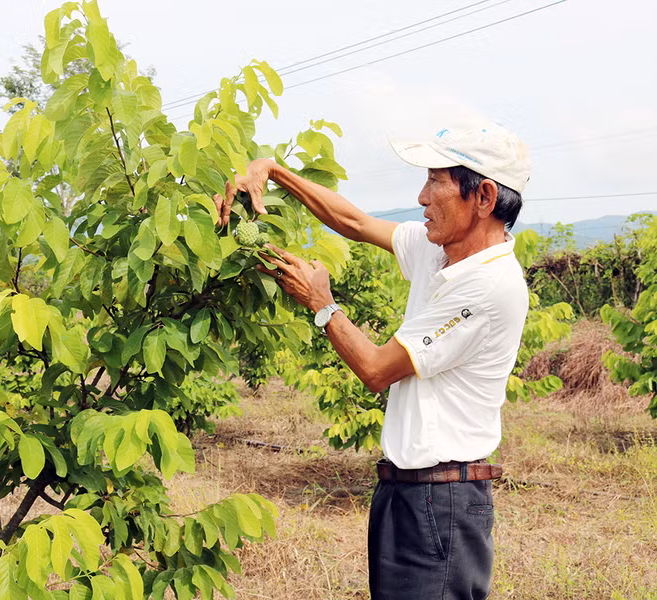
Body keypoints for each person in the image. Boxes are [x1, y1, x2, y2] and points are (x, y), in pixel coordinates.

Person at [214, 124, 531, 599]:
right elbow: (356, 223)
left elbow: (377, 369)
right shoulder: (441, 251)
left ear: (483, 196)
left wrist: (322, 304)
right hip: (407, 490)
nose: (422, 196)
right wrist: (274, 172)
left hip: (443, 500)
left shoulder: (487, 286)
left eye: (435, 181)